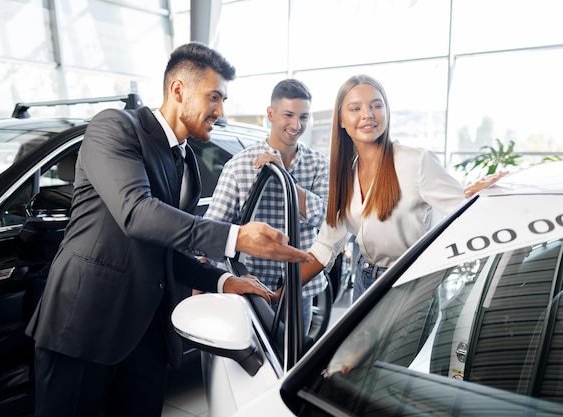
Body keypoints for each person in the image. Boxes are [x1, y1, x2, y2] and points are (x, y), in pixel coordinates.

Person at [25, 42, 312, 417]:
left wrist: (223, 281)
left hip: (150, 338)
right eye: (214, 97)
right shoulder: (114, 127)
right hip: (86, 329)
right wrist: (235, 236)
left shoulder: (186, 161)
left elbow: (166, 247)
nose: (221, 112)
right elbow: (137, 214)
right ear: (179, 90)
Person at [297, 74, 505, 302]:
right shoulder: (345, 175)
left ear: (386, 112)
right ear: (341, 120)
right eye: (355, 109)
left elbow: (463, 212)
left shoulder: (416, 162)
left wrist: (481, 196)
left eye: (376, 105)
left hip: (410, 286)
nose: (368, 114)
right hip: (364, 281)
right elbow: (325, 245)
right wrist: (277, 295)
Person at [204, 78, 329, 334]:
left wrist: (286, 179)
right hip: (251, 293)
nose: (296, 125)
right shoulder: (239, 166)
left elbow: (331, 222)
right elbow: (212, 230)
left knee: (294, 367)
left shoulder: (318, 165)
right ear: (271, 114)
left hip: (298, 292)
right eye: (288, 115)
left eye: (304, 117)